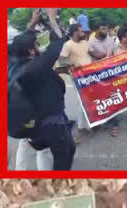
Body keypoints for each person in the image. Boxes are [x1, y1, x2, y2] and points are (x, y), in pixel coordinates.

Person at [11, 9, 76, 170]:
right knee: (63, 157)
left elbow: (18, 43)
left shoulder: (12, 63)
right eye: (36, 44)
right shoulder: (36, 66)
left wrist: (33, 23)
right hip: (49, 122)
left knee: (70, 148)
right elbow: (58, 42)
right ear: (31, 51)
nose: (39, 47)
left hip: (35, 121)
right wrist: (52, 19)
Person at [59, 23, 93, 144]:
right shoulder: (67, 45)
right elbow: (61, 60)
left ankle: (89, 123)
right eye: (81, 31)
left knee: (89, 100)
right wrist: (72, 65)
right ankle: (81, 126)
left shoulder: (85, 43)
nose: (83, 33)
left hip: (89, 74)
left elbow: (92, 53)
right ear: (74, 32)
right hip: (78, 77)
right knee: (81, 101)